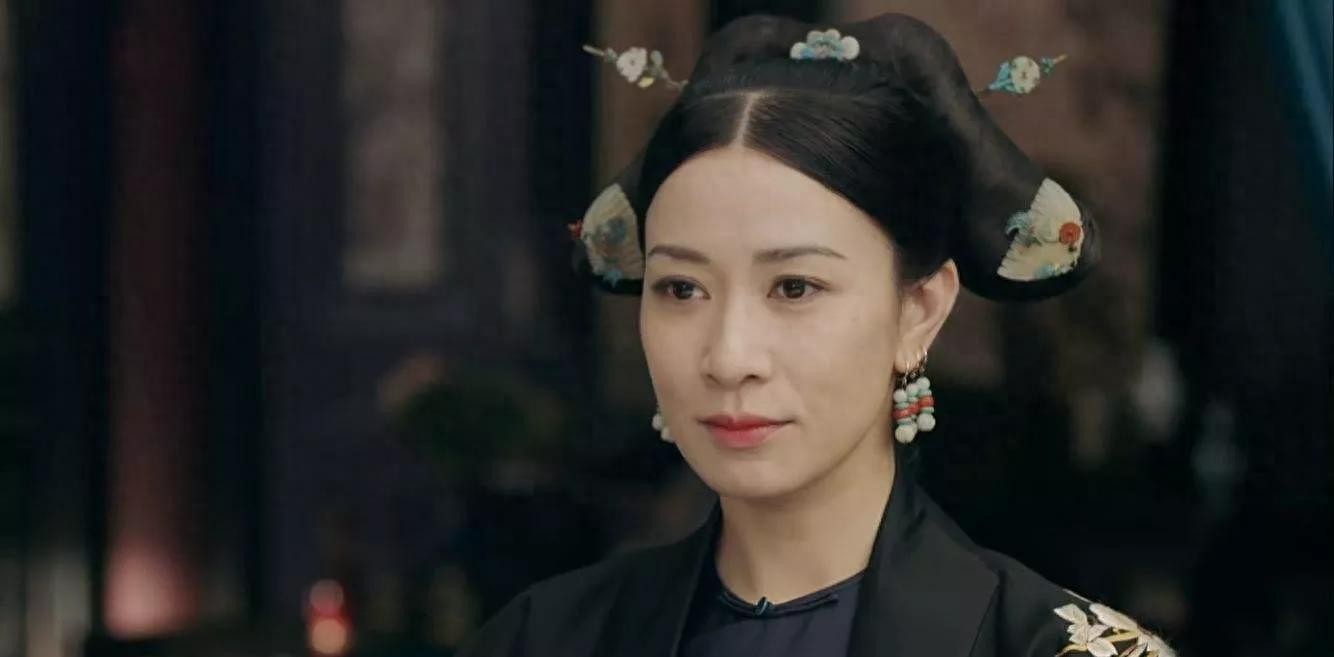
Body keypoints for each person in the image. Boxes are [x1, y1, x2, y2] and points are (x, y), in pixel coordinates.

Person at [458, 12, 1173, 657]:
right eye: (681, 289)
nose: (729, 356)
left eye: (795, 287)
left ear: (919, 311)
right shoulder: (541, 637)